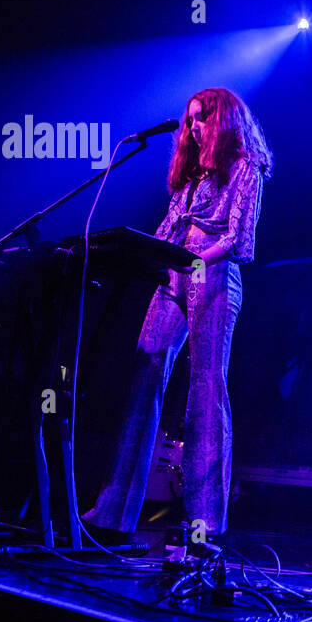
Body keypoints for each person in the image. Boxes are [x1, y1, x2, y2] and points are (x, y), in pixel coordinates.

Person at [83, 87, 272, 545]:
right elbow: (165, 231)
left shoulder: (244, 167)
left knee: (206, 389)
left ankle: (204, 522)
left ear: (223, 120)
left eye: (201, 118)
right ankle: (114, 510)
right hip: (173, 274)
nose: (193, 127)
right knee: (144, 372)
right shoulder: (190, 178)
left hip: (214, 272)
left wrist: (194, 262)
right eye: (189, 120)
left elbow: (239, 238)